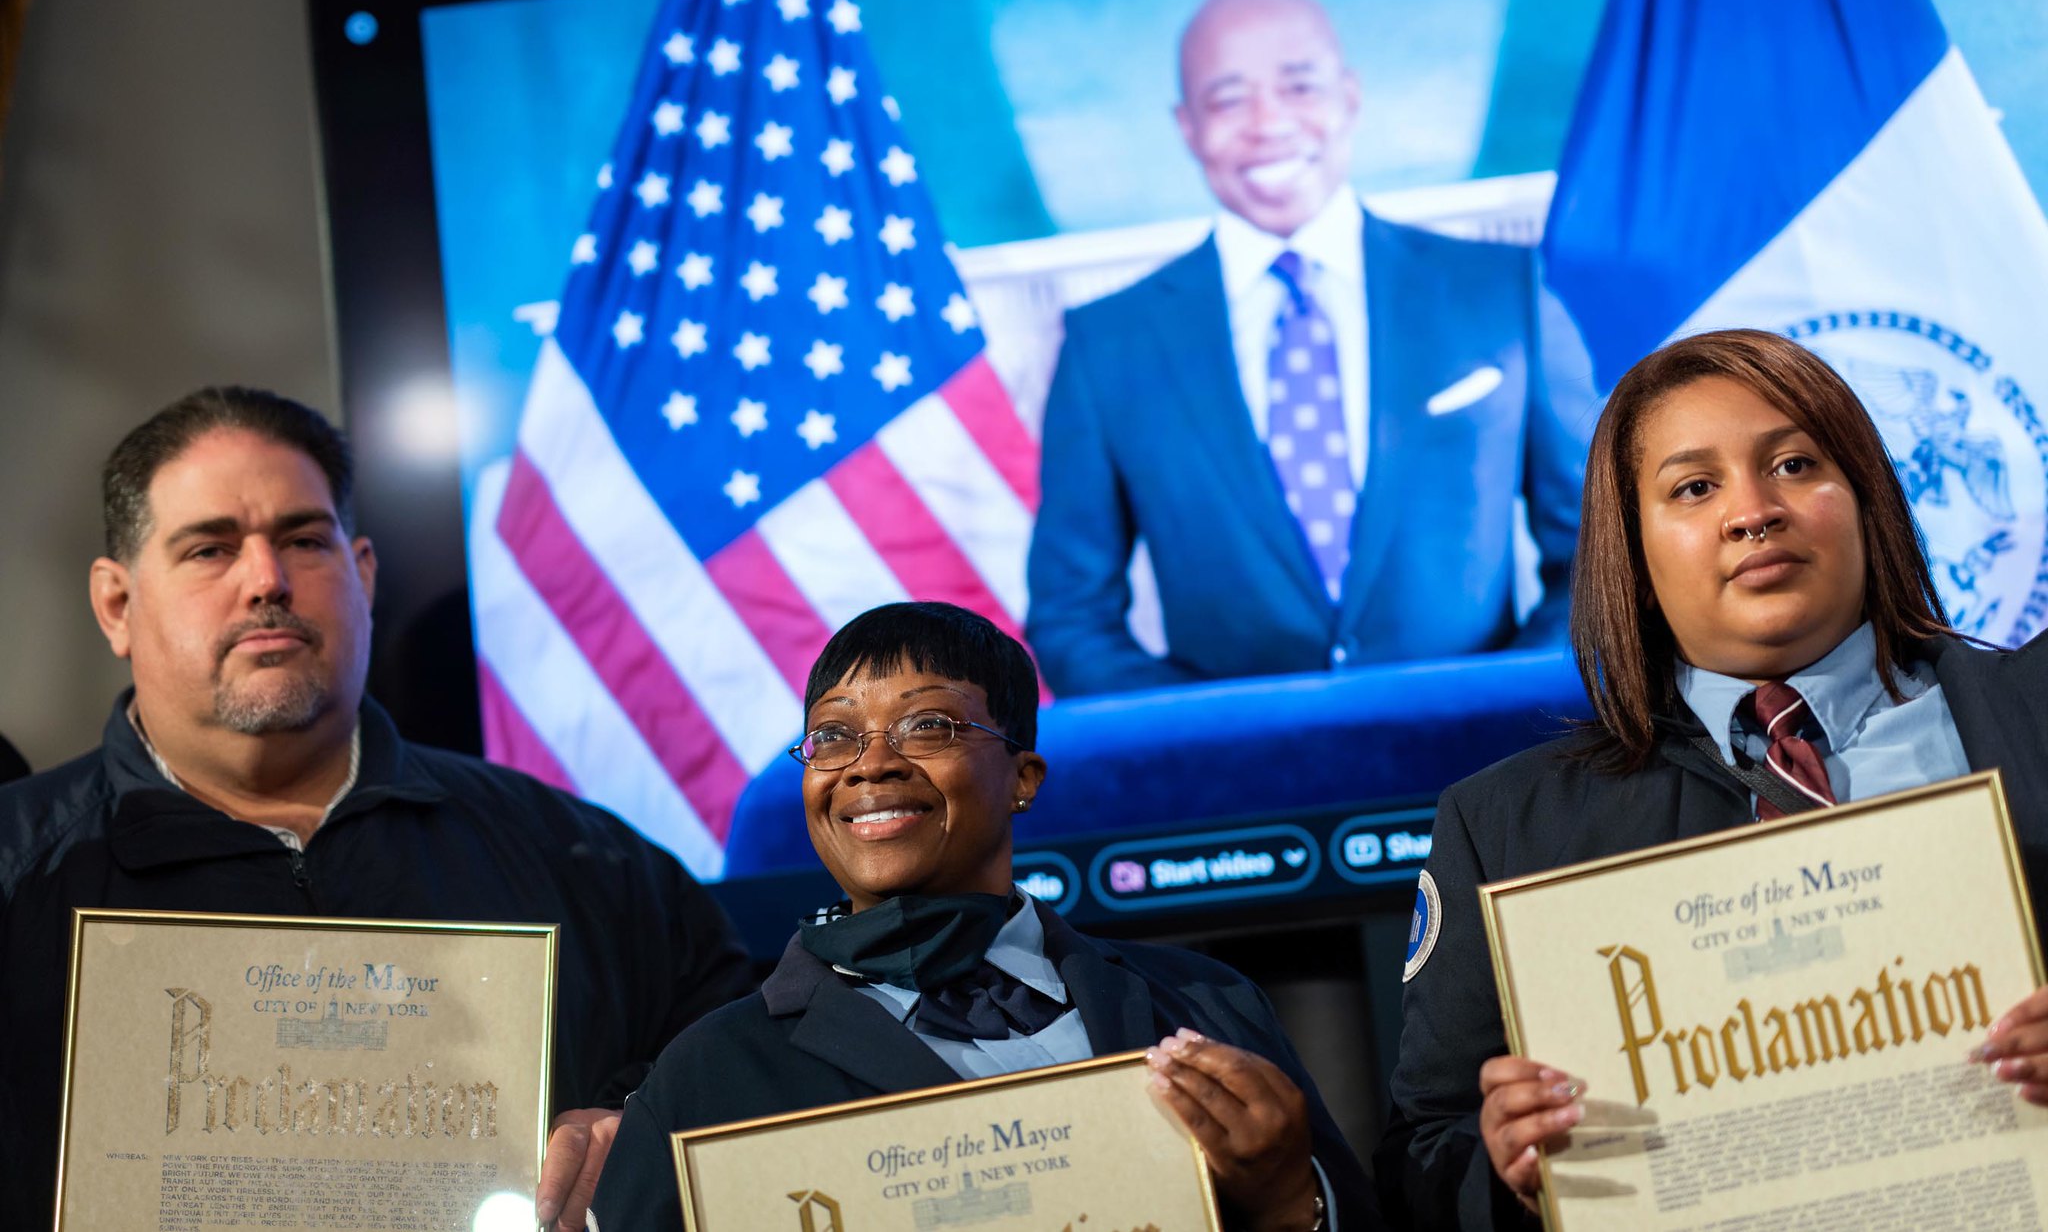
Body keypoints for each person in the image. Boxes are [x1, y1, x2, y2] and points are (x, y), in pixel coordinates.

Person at [0, 387, 752, 1231]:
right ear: (116, 604)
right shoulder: (19, 871)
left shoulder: (585, 860)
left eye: (304, 539)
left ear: (361, 573)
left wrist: (642, 1123)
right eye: (210, 548)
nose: (267, 580)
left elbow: (752, 1064)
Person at [1373, 330, 2048, 1229]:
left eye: (1797, 463)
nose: (1754, 510)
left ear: (1866, 498)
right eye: (1695, 487)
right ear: (1633, 552)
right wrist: (1502, 1163)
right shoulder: (1505, 829)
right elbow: (1421, 1159)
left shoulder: (2031, 709)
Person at [590, 601, 1376, 1230]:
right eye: (833, 736)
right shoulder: (705, 1078)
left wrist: (1286, 1205)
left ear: (1023, 776)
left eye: (926, 725)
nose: (871, 763)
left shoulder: (1207, 1004)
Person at [1026, 0, 1599, 697]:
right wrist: (1211, 746)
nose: (1267, 121)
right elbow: (1070, 617)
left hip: (1501, 766)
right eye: (1228, 97)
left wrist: (1508, 707)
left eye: (1298, 86)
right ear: (1186, 126)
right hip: (1242, 794)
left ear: (1349, 96)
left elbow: (1594, 553)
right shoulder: (1104, 346)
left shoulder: (1501, 291)